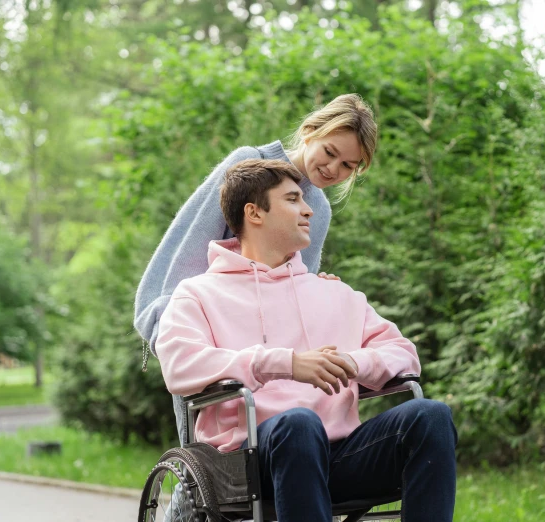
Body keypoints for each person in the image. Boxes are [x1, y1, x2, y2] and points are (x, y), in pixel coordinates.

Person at [155, 159, 458, 522]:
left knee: (431, 416)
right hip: (247, 461)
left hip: (340, 456)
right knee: (298, 423)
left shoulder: (334, 293)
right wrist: (286, 363)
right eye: (293, 199)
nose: (309, 209)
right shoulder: (197, 294)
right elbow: (180, 364)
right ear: (254, 213)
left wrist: (352, 363)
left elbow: (404, 354)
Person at [135, 94, 379, 444]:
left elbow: (289, 282)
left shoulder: (319, 209)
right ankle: (185, 499)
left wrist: (318, 289)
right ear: (310, 132)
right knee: (207, 462)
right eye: (329, 152)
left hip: (264, 346)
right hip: (199, 325)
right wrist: (170, 319)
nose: (333, 169)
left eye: (347, 166)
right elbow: (189, 246)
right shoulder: (248, 164)